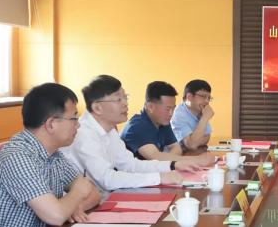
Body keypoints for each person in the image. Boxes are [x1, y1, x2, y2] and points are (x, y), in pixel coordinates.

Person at [0, 83, 101, 227]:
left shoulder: (53, 154)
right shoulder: (17, 157)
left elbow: (94, 194)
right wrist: (76, 195)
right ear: (51, 124)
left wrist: (73, 206)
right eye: (74, 118)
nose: (78, 125)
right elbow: (57, 215)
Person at [61, 75, 214, 192]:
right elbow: (107, 179)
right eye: (118, 99)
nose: (125, 103)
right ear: (97, 108)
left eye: (125, 97)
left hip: (104, 196)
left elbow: (130, 164)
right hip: (86, 206)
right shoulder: (83, 134)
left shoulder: (109, 129)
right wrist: (159, 177)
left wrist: (173, 164)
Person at [120, 81, 183, 160]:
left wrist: (167, 159)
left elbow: (177, 148)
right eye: (167, 109)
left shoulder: (162, 121)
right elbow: (155, 158)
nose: (171, 113)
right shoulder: (137, 126)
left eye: (173, 108)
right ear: (150, 107)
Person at [172, 79, 214, 150]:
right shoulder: (178, 114)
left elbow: (207, 137)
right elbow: (192, 145)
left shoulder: (200, 111)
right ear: (189, 97)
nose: (207, 101)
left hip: (191, 153)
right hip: (174, 155)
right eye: (203, 96)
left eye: (209, 98)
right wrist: (204, 118)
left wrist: (195, 141)